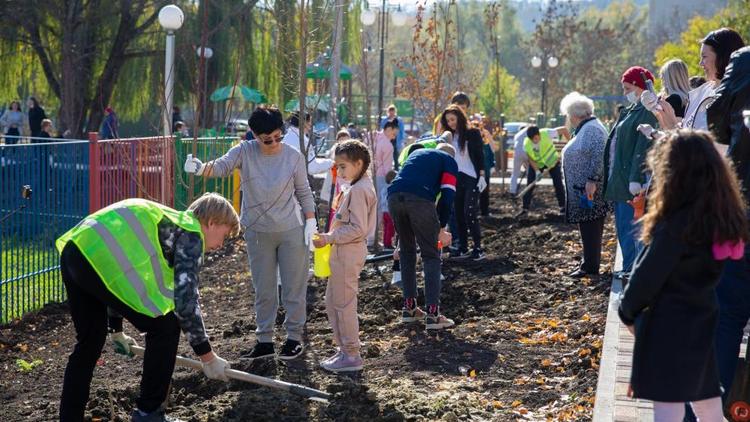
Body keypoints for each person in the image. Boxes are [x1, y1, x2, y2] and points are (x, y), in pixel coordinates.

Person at [55, 193, 240, 422]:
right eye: (223, 235)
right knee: (167, 327)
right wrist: (208, 357)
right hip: (98, 260)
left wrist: (116, 329)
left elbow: (122, 276)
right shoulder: (191, 233)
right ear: (210, 222)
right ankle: (149, 413)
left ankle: (69, 417)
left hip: (77, 251)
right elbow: (185, 302)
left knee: (89, 342)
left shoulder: (165, 225)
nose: (221, 245)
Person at [618, 129, 747, 421]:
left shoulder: (676, 223)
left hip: (667, 323)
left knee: (669, 404)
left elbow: (647, 274)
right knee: (707, 403)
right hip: (702, 316)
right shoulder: (722, 219)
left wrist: (627, 310)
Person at [184, 105, 317, 361]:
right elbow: (221, 167)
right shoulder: (245, 152)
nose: (273, 143)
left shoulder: (294, 157)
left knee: (293, 287)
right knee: (264, 288)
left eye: (278, 136)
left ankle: (293, 338)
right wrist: (200, 168)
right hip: (257, 231)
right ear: (254, 135)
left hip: (291, 229)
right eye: (267, 139)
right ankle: (264, 341)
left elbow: (303, 192)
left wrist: (311, 222)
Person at [707, 45, 750, 403]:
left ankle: (710, 403)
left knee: (728, 313)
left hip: (741, 212)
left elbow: (717, 118)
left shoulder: (744, 60)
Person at [313, 140, 377, 372]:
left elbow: (357, 228)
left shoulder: (359, 191)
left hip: (348, 252)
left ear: (359, 164)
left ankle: (351, 354)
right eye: (337, 167)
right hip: (342, 252)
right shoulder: (354, 186)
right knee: (333, 302)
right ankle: (344, 350)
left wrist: (329, 237)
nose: (339, 172)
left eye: (343, 166)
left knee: (343, 304)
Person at [388, 144, 457, 329]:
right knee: (431, 255)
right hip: (419, 199)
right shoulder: (449, 160)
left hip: (394, 196)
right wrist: (441, 227)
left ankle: (410, 309)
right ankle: (433, 315)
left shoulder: (417, 154)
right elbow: (448, 195)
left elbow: (405, 185)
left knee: (407, 252)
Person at [644, 28, 744, 151]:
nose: (700, 63)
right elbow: (687, 133)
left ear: (723, 57)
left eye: (704, 57)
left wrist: (671, 126)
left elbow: (715, 149)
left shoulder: (739, 98)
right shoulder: (700, 93)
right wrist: (659, 111)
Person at [602, 66, 658, 278]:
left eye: (627, 88)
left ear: (638, 85)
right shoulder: (631, 110)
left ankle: (632, 269)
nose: (625, 93)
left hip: (631, 182)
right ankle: (628, 266)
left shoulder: (646, 110)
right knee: (624, 228)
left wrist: (635, 179)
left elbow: (641, 149)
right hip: (621, 179)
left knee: (632, 228)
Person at [559, 92, 612, 278]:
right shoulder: (587, 127)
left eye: (568, 115)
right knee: (588, 227)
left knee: (590, 227)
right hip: (584, 189)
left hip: (589, 190)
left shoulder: (592, 129)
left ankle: (590, 266)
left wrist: (591, 180)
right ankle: (588, 263)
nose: (568, 118)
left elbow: (599, 155)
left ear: (575, 114)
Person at [440, 105, 485, 260]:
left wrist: (482, 175)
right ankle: (463, 247)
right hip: (455, 179)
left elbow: (480, 155)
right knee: (458, 213)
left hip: (471, 177)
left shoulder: (472, 133)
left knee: (469, 212)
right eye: (448, 120)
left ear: (459, 117)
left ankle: (478, 247)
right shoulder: (449, 137)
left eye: (453, 119)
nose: (451, 123)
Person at [520, 125, 568, 216]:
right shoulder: (526, 144)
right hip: (537, 164)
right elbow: (531, 159)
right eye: (532, 139)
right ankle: (525, 208)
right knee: (530, 183)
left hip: (552, 161)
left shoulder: (546, 133)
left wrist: (570, 145)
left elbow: (564, 130)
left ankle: (563, 207)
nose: (535, 141)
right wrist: (537, 171)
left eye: (536, 138)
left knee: (558, 183)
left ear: (539, 134)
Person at [371, 120, 397, 244]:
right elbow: (387, 168)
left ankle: (372, 237)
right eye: (394, 133)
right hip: (383, 176)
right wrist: (391, 179)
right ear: (389, 129)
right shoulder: (387, 145)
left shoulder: (375, 138)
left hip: (374, 174)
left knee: (374, 206)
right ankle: (375, 237)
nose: (394, 136)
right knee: (381, 207)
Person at [476, 114, 497, 217]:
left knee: (484, 192)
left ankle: (484, 211)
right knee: (475, 193)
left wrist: (488, 136)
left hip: (485, 172)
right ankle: (475, 211)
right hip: (474, 173)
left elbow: (494, 150)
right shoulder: (472, 144)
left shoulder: (486, 144)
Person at [509, 125, 529, 195]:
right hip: (527, 152)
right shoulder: (528, 131)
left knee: (515, 173)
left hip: (517, 153)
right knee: (530, 172)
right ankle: (529, 189)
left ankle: (512, 190)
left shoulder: (517, 135)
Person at [381, 170, 397, 249]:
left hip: (384, 211)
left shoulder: (384, 187)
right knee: (390, 228)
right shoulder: (391, 187)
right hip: (389, 211)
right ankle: (388, 244)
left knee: (386, 227)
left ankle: (385, 243)